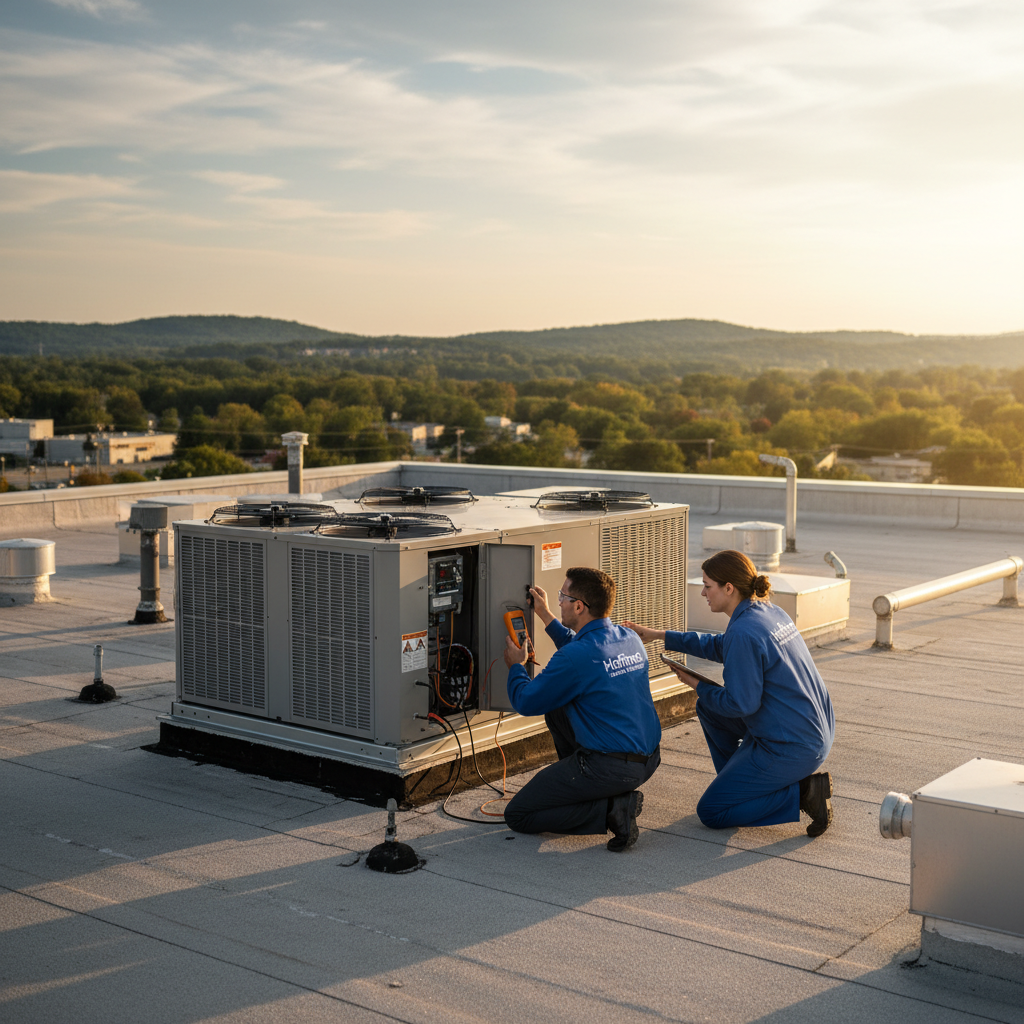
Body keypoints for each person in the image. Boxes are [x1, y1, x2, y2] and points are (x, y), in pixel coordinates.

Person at [625, 549, 835, 837]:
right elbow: (720, 646)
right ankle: (740, 785)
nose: (703, 592)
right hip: (813, 729)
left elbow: (741, 705)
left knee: (712, 811)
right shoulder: (768, 612)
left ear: (728, 588)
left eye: (707, 585)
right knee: (709, 707)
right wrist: (660, 635)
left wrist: (697, 685)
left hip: (793, 745)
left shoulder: (744, 631)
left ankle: (805, 792)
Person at [502, 566, 662, 851]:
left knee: (518, 815)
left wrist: (516, 666)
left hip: (612, 768)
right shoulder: (628, 637)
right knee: (557, 708)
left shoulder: (576, 656)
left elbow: (526, 701)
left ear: (579, 606)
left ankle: (612, 809)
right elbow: (582, 648)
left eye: (563, 596)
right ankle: (586, 789)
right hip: (648, 760)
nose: (559, 601)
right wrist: (545, 615)